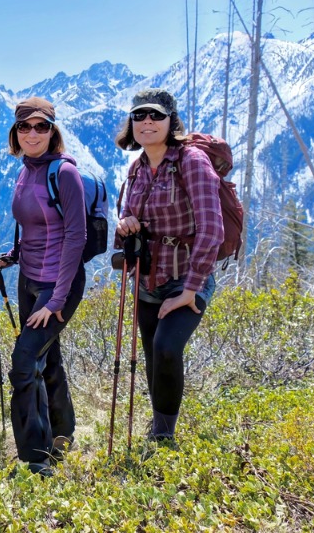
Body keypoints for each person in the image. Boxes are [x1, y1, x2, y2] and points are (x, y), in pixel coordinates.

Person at [114, 88, 223, 441]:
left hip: (187, 275)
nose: (147, 122)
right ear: (131, 124)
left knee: (166, 348)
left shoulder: (191, 161)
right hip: (148, 276)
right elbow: (128, 213)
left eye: (156, 116)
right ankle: (159, 428)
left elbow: (212, 229)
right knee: (151, 354)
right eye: (140, 116)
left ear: (170, 121)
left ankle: (164, 436)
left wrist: (190, 289)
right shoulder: (137, 169)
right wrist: (126, 222)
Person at [0, 97, 86, 476]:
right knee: (48, 358)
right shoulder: (25, 170)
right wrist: (12, 256)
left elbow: (76, 237)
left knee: (24, 362)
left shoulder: (64, 173)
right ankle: (62, 435)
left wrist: (58, 299)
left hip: (58, 285)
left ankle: (37, 459)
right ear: (16, 133)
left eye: (41, 126)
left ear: (53, 131)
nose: (33, 133)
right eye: (25, 127)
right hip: (29, 280)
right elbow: (35, 228)